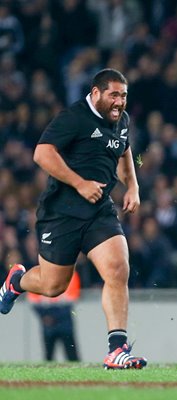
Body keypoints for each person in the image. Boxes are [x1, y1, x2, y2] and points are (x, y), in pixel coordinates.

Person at [0, 68, 147, 369]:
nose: (120, 101)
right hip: (61, 214)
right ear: (96, 93)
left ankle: (116, 350)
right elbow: (42, 153)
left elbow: (124, 151)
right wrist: (79, 183)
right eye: (114, 94)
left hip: (99, 210)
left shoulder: (122, 121)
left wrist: (132, 185)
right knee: (54, 285)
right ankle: (17, 281)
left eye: (124, 95)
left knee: (118, 268)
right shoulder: (74, 117)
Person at [27, 270, 81, 362]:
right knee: (49, 354)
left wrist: (48, 316)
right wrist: (45, 316)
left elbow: (73, 298)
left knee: (71, 352)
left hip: (62, 318)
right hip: (51, 318)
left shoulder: (71, 272)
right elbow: (33, 300)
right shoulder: (37, 273)